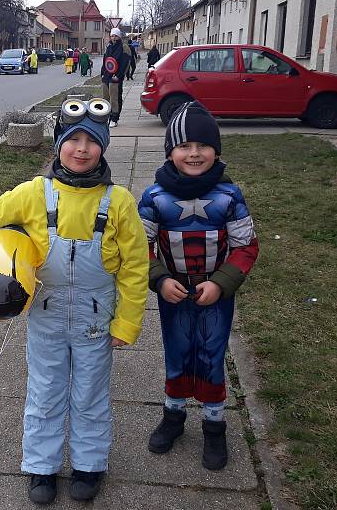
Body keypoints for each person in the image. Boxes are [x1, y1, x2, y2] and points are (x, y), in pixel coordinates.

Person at [0, 107, 149, 504]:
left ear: (104, 147)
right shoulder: (33, 194)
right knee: (45, 391)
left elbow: (134, 267)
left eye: (92, 141)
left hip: (97, 316)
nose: (82, 149)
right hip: (46, 312)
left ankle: (88, 464)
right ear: (59, 144)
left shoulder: (119, 202)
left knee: (90, 393)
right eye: (73, 140)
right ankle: (41, 467)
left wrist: (126, 323)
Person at [137, 102, 259, 471]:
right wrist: (159, 279)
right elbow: (137, 248)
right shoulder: (154, 198)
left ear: (216, 151)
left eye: (202, 146)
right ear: (170, 151)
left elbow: (245, 246)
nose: (193, 153)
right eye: (184, 146)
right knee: (177, 351)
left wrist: (222, 284)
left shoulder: (230, 197)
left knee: (211, 354)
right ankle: (174, 416)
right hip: (172, 292)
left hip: (215, 295)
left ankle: (214, 424)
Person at [101, 28, 130, 128]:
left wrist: (119, 76)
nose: (114, 38)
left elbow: (126, 63)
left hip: (116, 77)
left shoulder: (124, 47)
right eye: (112, 36)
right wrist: (102, 73)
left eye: (116, 36)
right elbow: (105, 61)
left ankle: (114, 118)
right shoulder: (108, 46)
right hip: (106, 76)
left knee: (115, 98)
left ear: (119, 37)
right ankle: (107, 117)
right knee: (106, 98)